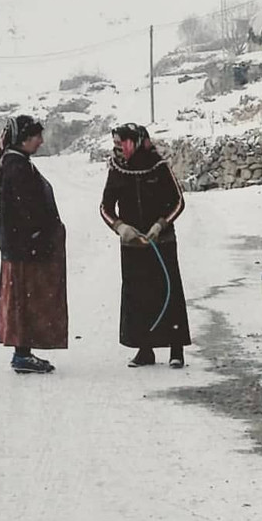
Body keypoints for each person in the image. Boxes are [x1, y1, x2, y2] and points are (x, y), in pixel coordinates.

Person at [99, 122, 191, 368]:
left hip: (162, 242)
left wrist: (161, 224)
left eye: (122, 143)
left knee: (168, 291)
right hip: (133, 245)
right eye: (115, 143)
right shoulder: (117, 169)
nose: (117, 148)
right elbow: (105, 207)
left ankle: (176, 349)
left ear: (136, 143)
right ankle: (144, 348)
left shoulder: (158, 167)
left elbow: (178, 202)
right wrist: (120, 227)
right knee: (138, 295)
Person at [0, 115, 68, 373]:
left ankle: (23, 352)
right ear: (24, 138)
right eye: (36, 136)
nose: (41, 141)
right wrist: (39, 237)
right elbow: (28, 210)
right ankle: (22, 353)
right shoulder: (18, 168)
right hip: (25, 249)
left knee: (22, 299)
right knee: (25, 300)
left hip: (20, 247)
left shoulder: (12, 163)